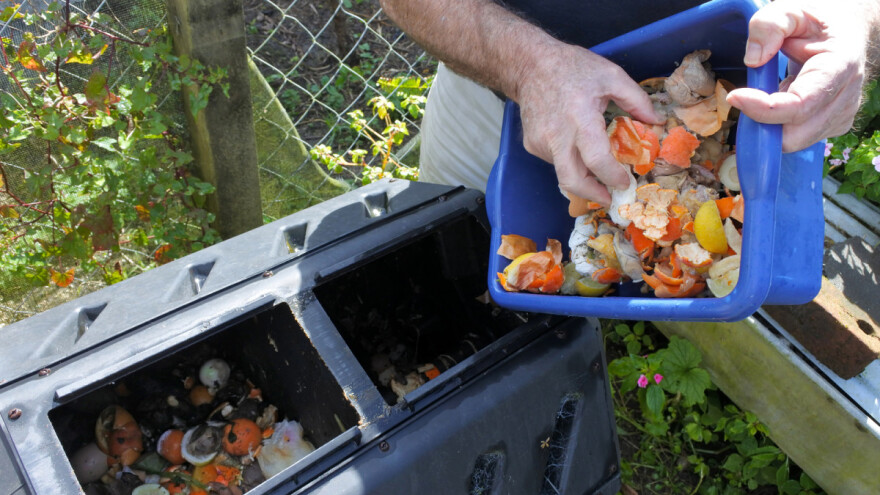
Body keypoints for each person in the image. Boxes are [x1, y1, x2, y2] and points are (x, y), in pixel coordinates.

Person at [378, 0, 880, 205]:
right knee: (456, 244)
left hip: (733, 95)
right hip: (492, 91)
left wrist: (850, 17)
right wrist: (529, 68)